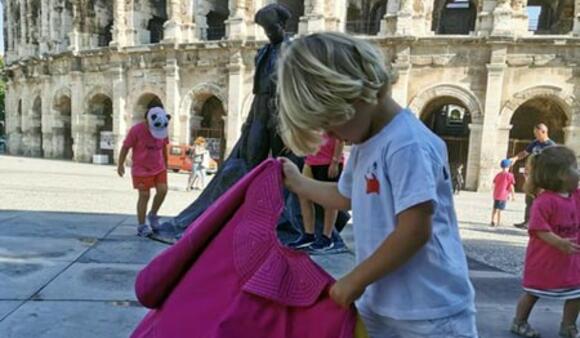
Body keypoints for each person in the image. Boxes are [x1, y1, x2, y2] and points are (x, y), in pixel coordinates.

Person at [277, 32, 477, 337]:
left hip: (429, 312)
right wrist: (299, 183)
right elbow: (346, 196)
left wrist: (354, 281)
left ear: (359, 94)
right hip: (383, 303)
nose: (332, 136)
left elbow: (414, 230)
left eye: (332, 122)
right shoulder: (365, 142)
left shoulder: (406, 143)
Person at [510, 146, 580, 338]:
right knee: (533, 292)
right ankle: (519, 321)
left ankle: (568, 325)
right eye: (576, 167)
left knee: (576, 293)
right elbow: (538, 229)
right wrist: (559, 243)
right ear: (562, 175)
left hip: (571, 259)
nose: (579, 171)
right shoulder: (545, 201)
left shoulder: (576, 196)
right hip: (546, 259)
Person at [117, 107, 170, 237]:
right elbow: (125, 147)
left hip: (159, 167)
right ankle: (142, 225)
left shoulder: (162, 126)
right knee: (144, 195)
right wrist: (120, 164)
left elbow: (163, 146)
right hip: (141, 169)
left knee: (163, 190)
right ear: (147, 121)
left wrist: (166, 162)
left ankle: (153, 214)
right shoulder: (136, 130)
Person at [289, 134, 345, 252]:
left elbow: (340, 136)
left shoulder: (331, 116)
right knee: (303, 195)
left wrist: (335, 161)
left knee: (329, 201)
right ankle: (308, 235)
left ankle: (327, 238)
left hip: (329, 161)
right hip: (311, 160)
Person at [511, 123, 556, 229]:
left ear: (544, 132)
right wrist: (515, 158)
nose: (535, 135)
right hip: (532, 177)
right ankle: (527, 221)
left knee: (542, 201)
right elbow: (525, 153)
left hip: (543, 178)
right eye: (534, 133)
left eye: (537, 133)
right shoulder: (535, 143)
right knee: (529, 200)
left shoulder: (551, 146)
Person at [491, 159, 515, 227]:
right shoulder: (510, 175)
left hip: (496, 194)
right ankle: (498, 222)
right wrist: (513, 196)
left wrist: (494, 191)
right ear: (508, 166)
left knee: (495, 208)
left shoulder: (498, 174)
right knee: (500, 209)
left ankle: (492, 220)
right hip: (503, 195)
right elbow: (511, 186)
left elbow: (494, 183)